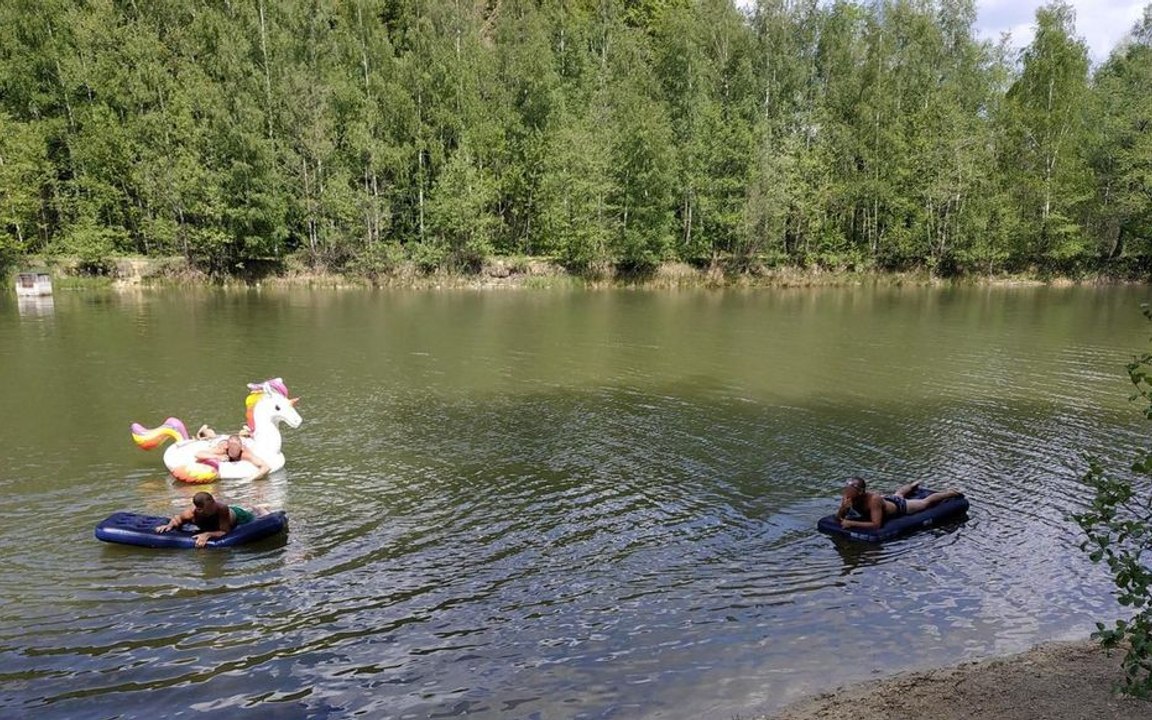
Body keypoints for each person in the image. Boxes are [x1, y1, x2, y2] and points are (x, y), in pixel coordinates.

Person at [836, 477, 961, 530]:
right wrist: (843, 508)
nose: (847, 492)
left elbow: (876, 525)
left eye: (850, 490)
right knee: (898, 494)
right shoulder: (848, 497)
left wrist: (851, 523)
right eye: (846, 489)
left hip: (899, 507)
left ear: (860, 492)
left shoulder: (873, 500)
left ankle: (950, 493)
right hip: (887, 501)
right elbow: (839, 518)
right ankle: (912, 485)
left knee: (924, 503)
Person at [154, 491, 267, 547]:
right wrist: (169, 526)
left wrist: (207, 534)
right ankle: (256, 508)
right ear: (199, 509)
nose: (214, 509)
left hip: (238, 517)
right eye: (209, 508)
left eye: (213, 504)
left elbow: (225, 531)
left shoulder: (221, 508)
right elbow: (177, 520)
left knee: (261, 519)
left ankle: (260, 509)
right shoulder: (190, 514)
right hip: (214, 523)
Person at [196, 433, 270, 481]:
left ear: (241, 447)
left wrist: (249, 479)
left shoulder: (245, 454)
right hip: (221, 439)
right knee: (212, 436)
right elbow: (198, 454)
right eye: (232, 448)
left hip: (235, 440)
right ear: (228, 446)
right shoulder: (222, 449)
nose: (234, 451)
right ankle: (205, 431)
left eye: (236, 448)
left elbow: (266, 467)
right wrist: (217, 457)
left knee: (243, 435)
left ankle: (245, 433)